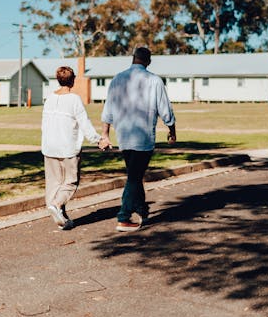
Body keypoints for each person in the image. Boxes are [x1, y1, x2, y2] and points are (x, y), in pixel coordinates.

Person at [101, 46, 176, 232]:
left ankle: (142, 209)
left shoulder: (117, 79)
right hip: (143, 137)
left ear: (133, 58)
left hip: (123, 136)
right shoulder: (154, 80)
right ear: (148, 61)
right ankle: (123, 217)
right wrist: (172, 130)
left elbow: (108, 110)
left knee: (135, 175)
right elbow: (165, 109)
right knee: (134, 177)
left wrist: (105, 134)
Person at [42, 66, 111, 230]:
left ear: (58, 80)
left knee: (54, 183)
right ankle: (57, 205)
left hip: (49, 147)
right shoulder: (74, 99)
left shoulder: (49, 98)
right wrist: (98, 140)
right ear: (72, 81)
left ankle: (62, 219)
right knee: (70, 182)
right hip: (67, 148)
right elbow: (84, 124)